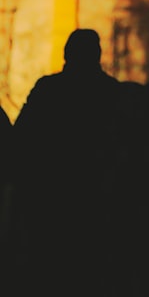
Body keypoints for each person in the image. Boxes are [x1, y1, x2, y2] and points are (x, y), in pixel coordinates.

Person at [9, 29, 127, 295]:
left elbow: (22, 140)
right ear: (97, 55)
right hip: (99, 202)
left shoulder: (48, 90)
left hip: (52, 201)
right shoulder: (113, 94)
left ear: (67, 54)